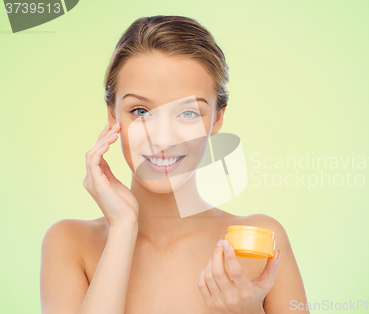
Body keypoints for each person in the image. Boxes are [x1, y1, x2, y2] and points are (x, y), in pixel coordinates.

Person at [40, 15, 309, 314]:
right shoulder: (69, 244)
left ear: (217, 118)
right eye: (141, 111)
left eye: (189, 113)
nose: (163, 139)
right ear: (113, 115)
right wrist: (123, 228)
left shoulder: (258, 242)